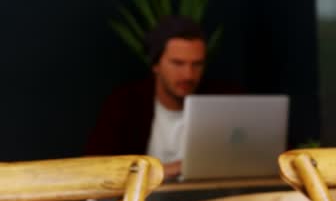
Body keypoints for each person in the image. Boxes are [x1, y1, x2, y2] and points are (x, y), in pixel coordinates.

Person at [86, 16, 238, 179]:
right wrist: (169, 170)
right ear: (155, 64)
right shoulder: (126, 103)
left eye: (197, 64)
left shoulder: (223, 102)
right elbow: (95, 168)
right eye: (177, 63)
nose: (188, 74)